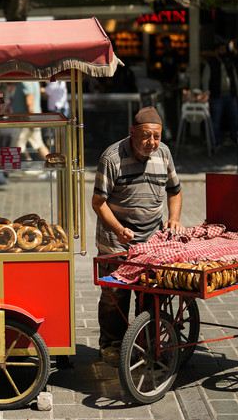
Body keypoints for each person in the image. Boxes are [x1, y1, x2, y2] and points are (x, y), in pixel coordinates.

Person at [92, 106, 184, 365]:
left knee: (152, 294)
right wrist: (119, 229)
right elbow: (98, 203)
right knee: (115, 297)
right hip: (116, 240)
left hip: (152, 241)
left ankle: (145, 342)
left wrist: (174, 219)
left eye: (156, 136)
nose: (151, 143)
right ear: (132, 132)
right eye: (145, 136)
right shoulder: (112, 158)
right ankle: (111, 345)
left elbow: (175, 191)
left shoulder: (163, 153)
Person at [202, 38, 238, 150]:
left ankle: (234, 138)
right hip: (217, 96)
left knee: (235, 118)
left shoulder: (229, 62)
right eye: (222, 49)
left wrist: (237, 92)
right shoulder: (211, 63)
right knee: (216, 121)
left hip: (230, 95)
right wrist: (207, 94)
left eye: (225, 49)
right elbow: (206, 80)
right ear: (216, 51)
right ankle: (216, 142)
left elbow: (234, 77)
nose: (224, 52)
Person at [10, 82, 50, 161]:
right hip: (28, 120)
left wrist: (31, 122)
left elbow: (30, 102)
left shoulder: (25, 82)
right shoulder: (34, 82)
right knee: (38, 144)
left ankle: (8, 171)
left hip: (26, 121)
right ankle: (53, 166)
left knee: (15, 148)